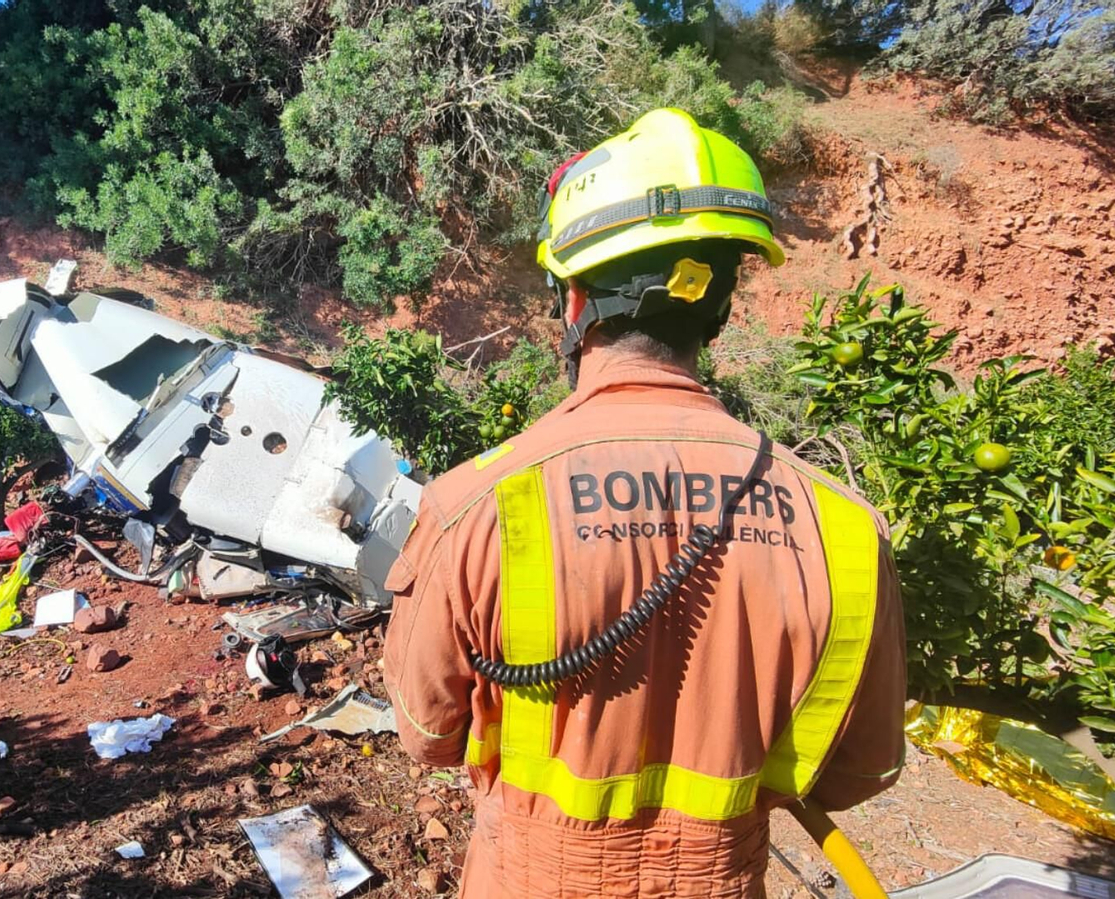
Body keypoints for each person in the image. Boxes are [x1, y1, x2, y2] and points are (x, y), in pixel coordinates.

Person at [382, 108, 905, 898]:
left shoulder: (477, 503)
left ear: (573, 300)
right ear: (720, 303)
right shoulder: (844, 526)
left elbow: (427, 732)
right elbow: (859, 769)